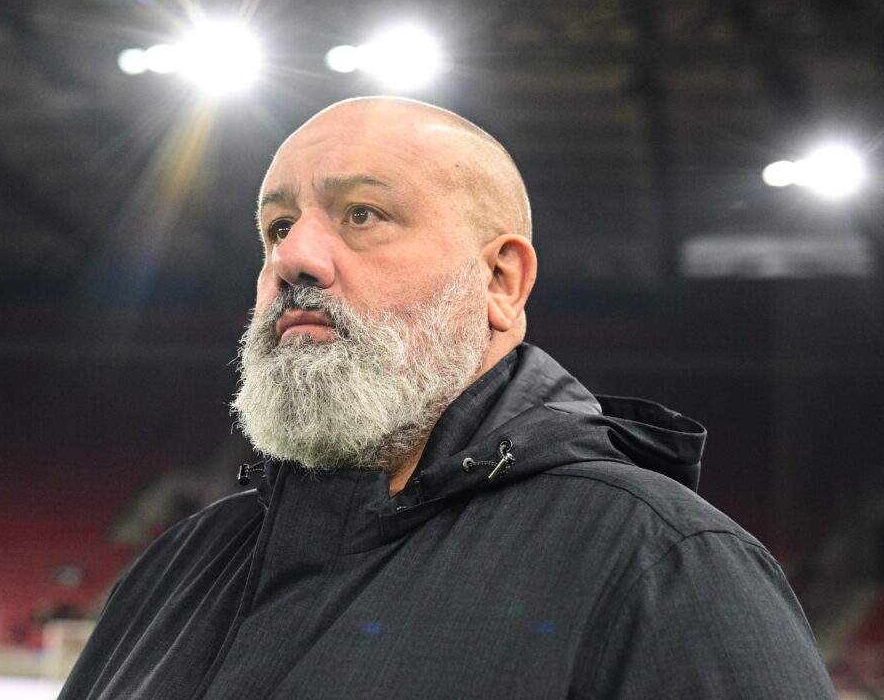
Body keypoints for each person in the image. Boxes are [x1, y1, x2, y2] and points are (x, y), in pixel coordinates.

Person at [59, 97, 836, 699]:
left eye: (363, 214)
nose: (294, 256)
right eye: (278, 226)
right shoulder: (176, 568)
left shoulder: (666, 565)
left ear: (500, 280)